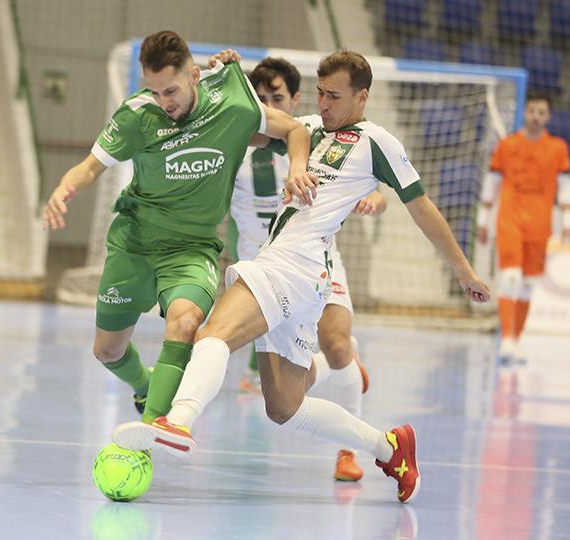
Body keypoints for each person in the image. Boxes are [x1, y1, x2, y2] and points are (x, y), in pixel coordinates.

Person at [113, 49, 491, 504]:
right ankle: (390, 448)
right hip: (297, 272)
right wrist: (216, 79)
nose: (324, 103)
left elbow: (422, 207)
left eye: (335, 96)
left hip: (297, 262)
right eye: (320, 93)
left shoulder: (378, 142)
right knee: (284, 406)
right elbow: (237, 124)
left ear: (362, 96)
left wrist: (464, 271)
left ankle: (179, 420)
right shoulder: (307, 128)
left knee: (213, 334)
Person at [42, 31, 313, 425]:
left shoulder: (233, 103)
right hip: (135, 243)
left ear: (194, 75)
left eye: (170, 90)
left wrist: (298, 168)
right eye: (155, 92)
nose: (164, 101)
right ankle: (144, 384)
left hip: (192, 248)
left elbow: (294, 129)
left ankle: (150, 430)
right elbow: (89, 167)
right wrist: (63, 190)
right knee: (107, 351)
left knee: (186, 323)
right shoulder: (137, 115)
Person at [230, 56, 385, 482]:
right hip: (262, 269)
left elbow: (374, 188)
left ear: (295, 100)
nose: (268, 105)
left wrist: (373, 201)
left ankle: (349, 451)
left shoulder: (317, 139)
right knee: (284, 391)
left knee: (336, 342)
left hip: (317, 260)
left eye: (276, 98)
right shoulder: (237, 147)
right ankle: (337, 367)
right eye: (260, 98)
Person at [476, 94, 570, 363]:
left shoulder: (558, 148)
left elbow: (565, 185)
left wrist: (567, 222)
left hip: (540, 225)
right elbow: (492, 182)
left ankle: (516, 340)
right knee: (511, 277)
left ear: (548, 117)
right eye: (531, 111)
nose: (535, 117)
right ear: (525, 113)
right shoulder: (507, 145)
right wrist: (483, 220)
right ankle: (506, 339)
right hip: (510, 221)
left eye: (541, 112)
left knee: (528, 285)